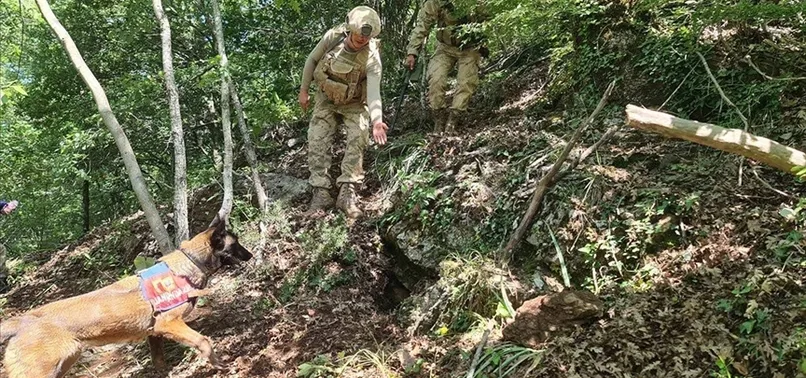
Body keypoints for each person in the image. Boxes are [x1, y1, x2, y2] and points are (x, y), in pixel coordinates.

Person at [299, 5, 388, 218]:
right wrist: (303, 90)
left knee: (359, 136)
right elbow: (312, 60)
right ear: (350, 29)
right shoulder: (333, 37)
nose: (362, 39)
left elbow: (374, 92)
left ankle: (347, 192)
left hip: (355, 102)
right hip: (326, 98)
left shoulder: (372, 56)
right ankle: (320, 193)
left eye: (367, 38)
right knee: (317, 140)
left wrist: (377, 121)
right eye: (359, 35)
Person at [405, 0, 489, 133]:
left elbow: (488, 19)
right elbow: (423, 25)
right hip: (445, 47)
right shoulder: (437, 2)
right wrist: (412, 52)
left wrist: (484, 43)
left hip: (470, 48)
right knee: (436, 78)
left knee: (466, 82)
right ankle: (439, 118)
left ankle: (453, 119)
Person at [0, 200, 18, 293]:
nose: (10, 213)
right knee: (1, 249)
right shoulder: (2, 204)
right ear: (7, 206)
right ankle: (1, 276)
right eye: (11, 210)